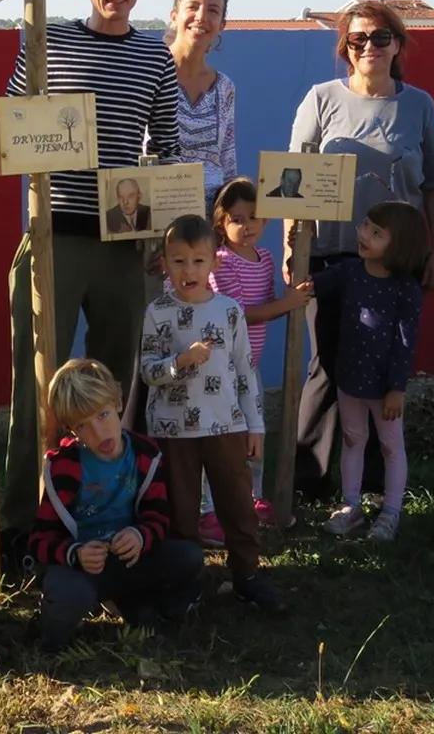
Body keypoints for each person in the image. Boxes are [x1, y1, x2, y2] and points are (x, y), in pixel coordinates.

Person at [0, 0, 181, 542]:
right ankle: (23, 525)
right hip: (52, 237)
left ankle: (108, 519)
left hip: (124, 246)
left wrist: (163, 239)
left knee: (111, 391)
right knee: (35, 385)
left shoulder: (156, 58)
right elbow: (12, 126)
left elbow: (167, 150)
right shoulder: (48, 41)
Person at [286, 0, 434, 506]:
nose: (369, 47)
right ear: (345, 47)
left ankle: (377, 487)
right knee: (326, 368)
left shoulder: (419, 106)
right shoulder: (321, 99)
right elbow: (292, 180)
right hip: (330, 257)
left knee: (382, 369)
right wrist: (293, 251)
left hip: (396, 265)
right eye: (358, 39)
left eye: (380, 37)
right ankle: (308, 483)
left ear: (398, 44)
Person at [140, 214, 288, 615]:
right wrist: (180, 362)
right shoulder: (157, 312)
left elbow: (245, 371)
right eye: (178, 261)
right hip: (173, 430)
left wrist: (255, 426)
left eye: (198, 261)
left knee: (238, 505)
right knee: (181, 511)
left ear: (214, 263)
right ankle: (185, 582)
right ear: (164, 263)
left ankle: (247, 577)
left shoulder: (229, 311)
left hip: (226, 426)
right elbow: (148, 371)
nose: (188, 271)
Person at [29, 357, 204, 651]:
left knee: (189, 556)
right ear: (71, 430)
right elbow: (39, 542)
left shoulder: (145, 454)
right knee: (67, 599)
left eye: (103, 415)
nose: (99, 433)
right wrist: (75, 553)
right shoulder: (63, 468)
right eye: (83, 425)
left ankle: (132, 603)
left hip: (129, 560)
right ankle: (53, 627)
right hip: (85, 569)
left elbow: (158, 518)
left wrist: (140, 535)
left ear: (119, 403)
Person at [197, 177, 313, 542]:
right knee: (217, 436)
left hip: (249, 367)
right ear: (221, 223)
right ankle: (208, 508)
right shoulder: (221, 262)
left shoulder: (264, 258)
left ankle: (253, 496)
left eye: (254, 217)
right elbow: (241, 313)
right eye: (237, 219)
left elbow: (268, 300)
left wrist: (293, 274)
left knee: (254, 431)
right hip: (220, 368)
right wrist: (288, 304)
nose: (247, 226)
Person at [315, 201, 429, 542]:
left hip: (384, 387)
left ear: (400, 245)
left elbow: (405, 343)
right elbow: (313, 284)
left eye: (376, 233)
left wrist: (397, 388)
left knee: (391, 447)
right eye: (365, 225)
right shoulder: (350, 271)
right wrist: (296, 258)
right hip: (350, 377)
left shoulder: (405, 289)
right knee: (352, 440)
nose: (364, 235)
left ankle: (391, 512)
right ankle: (350, 507)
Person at [164, 0, 236, 213]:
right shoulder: (149, 73)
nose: (201, 17)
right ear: (174, 15)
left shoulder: (225, 87)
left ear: (222, 24)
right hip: (156, 223)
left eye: (213, 10)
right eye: (192, 7)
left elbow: (227, 161)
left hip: (208, 227)